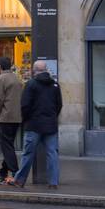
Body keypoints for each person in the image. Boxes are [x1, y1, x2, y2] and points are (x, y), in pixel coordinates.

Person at [7, 59, 62, 189]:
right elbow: (59, 105)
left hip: (34, 125)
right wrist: (53, 117)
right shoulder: (55, 85)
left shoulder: (31, 84)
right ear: (46, 70)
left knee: (28, 154)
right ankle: (53, 182)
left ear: (34, 71)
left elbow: (25, 105)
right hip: (50, 125)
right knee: (52, 153)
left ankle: (20, 180)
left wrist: (26, 119)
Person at [0, 56, 23, 182]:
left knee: (6, 146)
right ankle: (3, 172)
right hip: (17, 117)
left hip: (5, 117)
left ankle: (15, 172)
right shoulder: (17, 78)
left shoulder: (1, 79)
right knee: (8, 144)